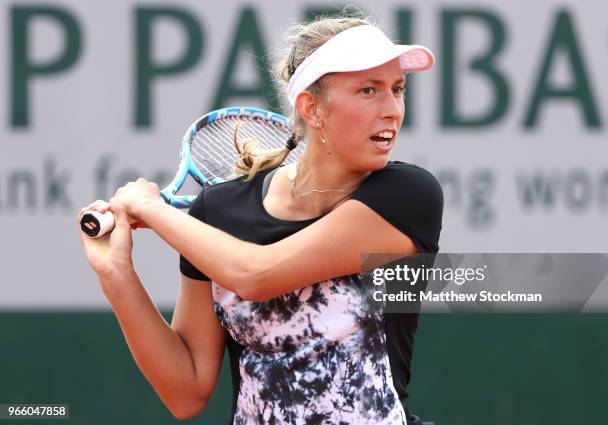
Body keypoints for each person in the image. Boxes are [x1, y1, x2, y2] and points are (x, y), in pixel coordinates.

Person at [79, 14, 442, 425]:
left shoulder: (408, 196)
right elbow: (186, 392)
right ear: (312, 107)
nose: (392, 109)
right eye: (368, 91)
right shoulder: (217, 214)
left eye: (397, 89)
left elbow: (255, 275)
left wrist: (152, 210)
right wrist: (116, 273)